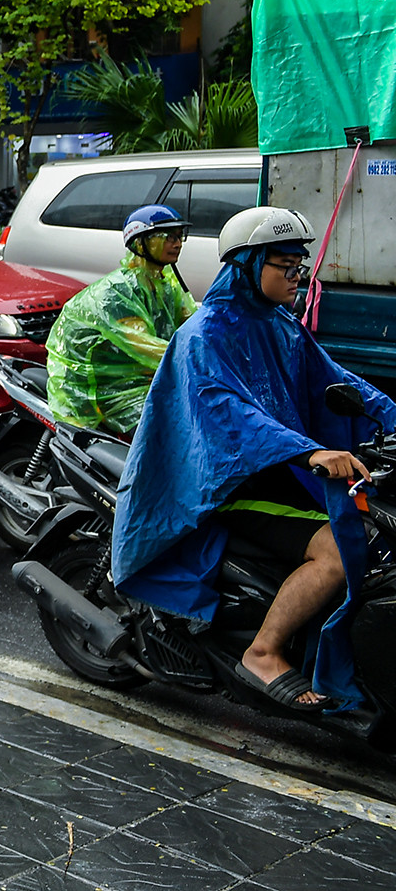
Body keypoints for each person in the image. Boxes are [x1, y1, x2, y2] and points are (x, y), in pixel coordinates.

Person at [115, 207, 396, 712]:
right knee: (336, 552)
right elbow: (230, 415)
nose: (296, 277)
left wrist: (392, 415)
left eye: (300, 267)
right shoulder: (203, 336)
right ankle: (263, 651)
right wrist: (310, 450)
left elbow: (337, 383)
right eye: (285, 266)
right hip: (225, 486)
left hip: (282, 474)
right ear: (246, 265)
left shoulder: (280, 326)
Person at [45, 204, 197, 436]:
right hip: (100, 391)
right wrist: (197, 356)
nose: (177, 243)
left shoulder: (167, 286)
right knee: (168, 431)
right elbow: (143, 346)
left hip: (141, 379)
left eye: (179, 236)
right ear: (140, 243)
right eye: (167, 236)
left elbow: (194, 323)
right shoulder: (117, 292)